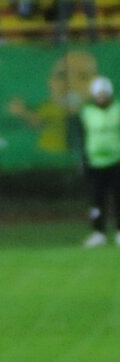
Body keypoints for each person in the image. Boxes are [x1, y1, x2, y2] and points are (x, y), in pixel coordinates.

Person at [79, 75, 120, 248]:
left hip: (117, 161)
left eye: (104, 94)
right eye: (99, 94)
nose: (101, 97)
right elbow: (81, 137)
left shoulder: (118, 109)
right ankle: (98, 233)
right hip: (95, 163)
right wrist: (83, 160)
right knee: (97, 201)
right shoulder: (87, 112)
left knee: (118, 198)